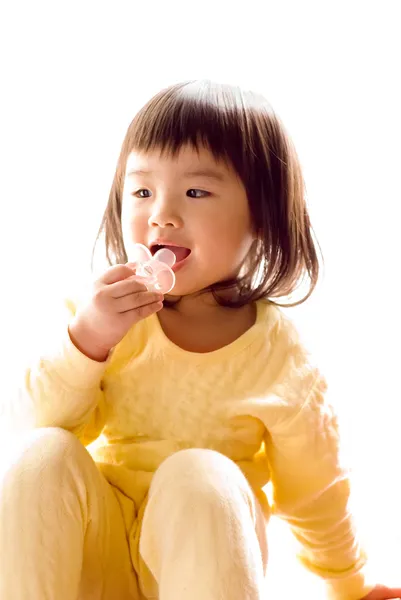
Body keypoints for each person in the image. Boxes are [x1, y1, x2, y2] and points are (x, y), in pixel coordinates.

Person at [0, 80, 399, 600]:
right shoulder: (104, 316)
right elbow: (31, 429)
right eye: (142, 191)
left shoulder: (280, 356)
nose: (160, 213)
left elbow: (314, 490)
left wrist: (350, 583)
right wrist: (88, 342)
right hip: (99, 566)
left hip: (205, 565)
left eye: (195, 192)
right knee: (45, 455)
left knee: (200, 475)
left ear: (262, 216)